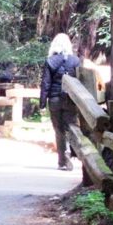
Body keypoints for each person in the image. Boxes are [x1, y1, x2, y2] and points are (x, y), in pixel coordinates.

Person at [40, 32, 82, 171]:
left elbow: (46, 84)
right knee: (72, 127)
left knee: (59, 130)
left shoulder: (50, 61)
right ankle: (75, 153)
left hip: (54, 99)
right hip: (70, 99)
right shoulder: (75, 61)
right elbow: (79, 82)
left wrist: (42, 104)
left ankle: (62, 161)